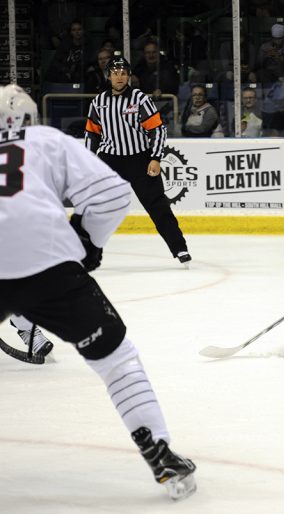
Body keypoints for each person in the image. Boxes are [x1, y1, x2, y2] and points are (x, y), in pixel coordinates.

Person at [0, 84, 197, 499]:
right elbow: (111, 193)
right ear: (32, 118)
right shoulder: (47, 140)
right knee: (117, 360)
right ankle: (159, 450)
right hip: (49, 261)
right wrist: (89, 242)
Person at [84, 57, 191, 266]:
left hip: (140, 159)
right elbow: (92, 134)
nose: (119, 77)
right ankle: (89, 253)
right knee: (97, 207)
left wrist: (155, 157)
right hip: (110, 160)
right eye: (115, 73)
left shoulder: (140, 98)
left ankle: (180, 248)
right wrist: (89, 162)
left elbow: (157, 129)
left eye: (123, 73)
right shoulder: (99, 102)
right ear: (109, 76)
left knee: (158, 206)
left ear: (129, 75)